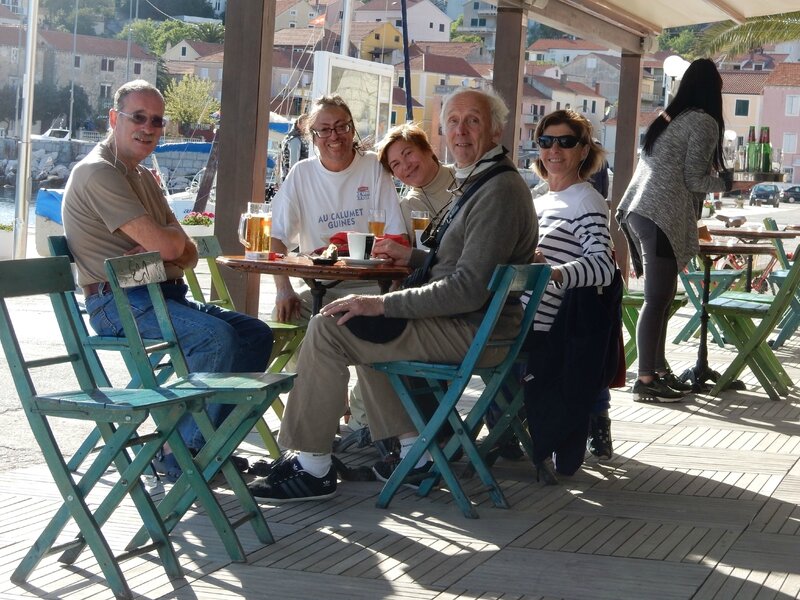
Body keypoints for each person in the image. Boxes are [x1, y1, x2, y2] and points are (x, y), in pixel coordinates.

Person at [248, 87, 538, 503]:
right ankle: (412, 452)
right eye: (452, 122)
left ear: (495, 128)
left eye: (472, 120)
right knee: (358, 325)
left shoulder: (497, 191)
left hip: (473, 329)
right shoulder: (485, 181)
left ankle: (313, 466)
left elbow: (466, 288)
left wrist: (382, 302)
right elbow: (460, 267)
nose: (460, 132)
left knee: (331, 326)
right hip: (478, 325)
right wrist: (416, 257)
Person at [62, 79, 274, 480]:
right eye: (138, 117)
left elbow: (185, 253)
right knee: (215, 338)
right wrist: (168, 248)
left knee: (256, 334)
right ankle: (182, 457)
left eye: (157, 121)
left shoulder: (140, 175)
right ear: (114, 119)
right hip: (116, 304)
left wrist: (168, 250)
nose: (148, 127)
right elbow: (171, 246)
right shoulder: (98, 171)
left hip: (158, 295)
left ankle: (209, 446)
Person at [270, 94, 406, 433]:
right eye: (324, 129)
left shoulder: (374, 167)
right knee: (276, 328)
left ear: (352, 130)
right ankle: (322, 411)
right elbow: (276, 239)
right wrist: (283, 289)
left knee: (340, 328)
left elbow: (396, 235)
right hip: (320, 287)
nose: (334, 136)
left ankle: (353, 422)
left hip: (372, 288)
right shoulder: (302, 175)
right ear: (311, 135)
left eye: (342, 127)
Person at [616, 58, 749, 403]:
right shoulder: (703, 122)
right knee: (656, 298)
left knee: (661, 298)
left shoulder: (669, 117)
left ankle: (658, 370)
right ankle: (645, 379)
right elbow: (694, 179)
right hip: (660, 212)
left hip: (642, 210)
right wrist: (731, 183)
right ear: (714, 92)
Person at [524, 109, 619, 484]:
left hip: (540, 328)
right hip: (516, 316)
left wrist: (555, 273)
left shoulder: (586, 201)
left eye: (566, 142)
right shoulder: (538, 198)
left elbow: (603, 266)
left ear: (583, 151)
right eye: (546, 142)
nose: (554, 150)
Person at [376, 122, 454, 240]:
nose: (406, 166)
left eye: (408, 153)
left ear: (428, 149)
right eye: (396, 164)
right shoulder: (410, 206)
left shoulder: (463, 175)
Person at [280, 115, 309, 182]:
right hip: (295, 178)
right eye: (306, 125)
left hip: (291, 176)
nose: (307, 128)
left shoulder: (290, 137)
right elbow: (293, 164)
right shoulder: (295, 140)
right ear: (299, 124)